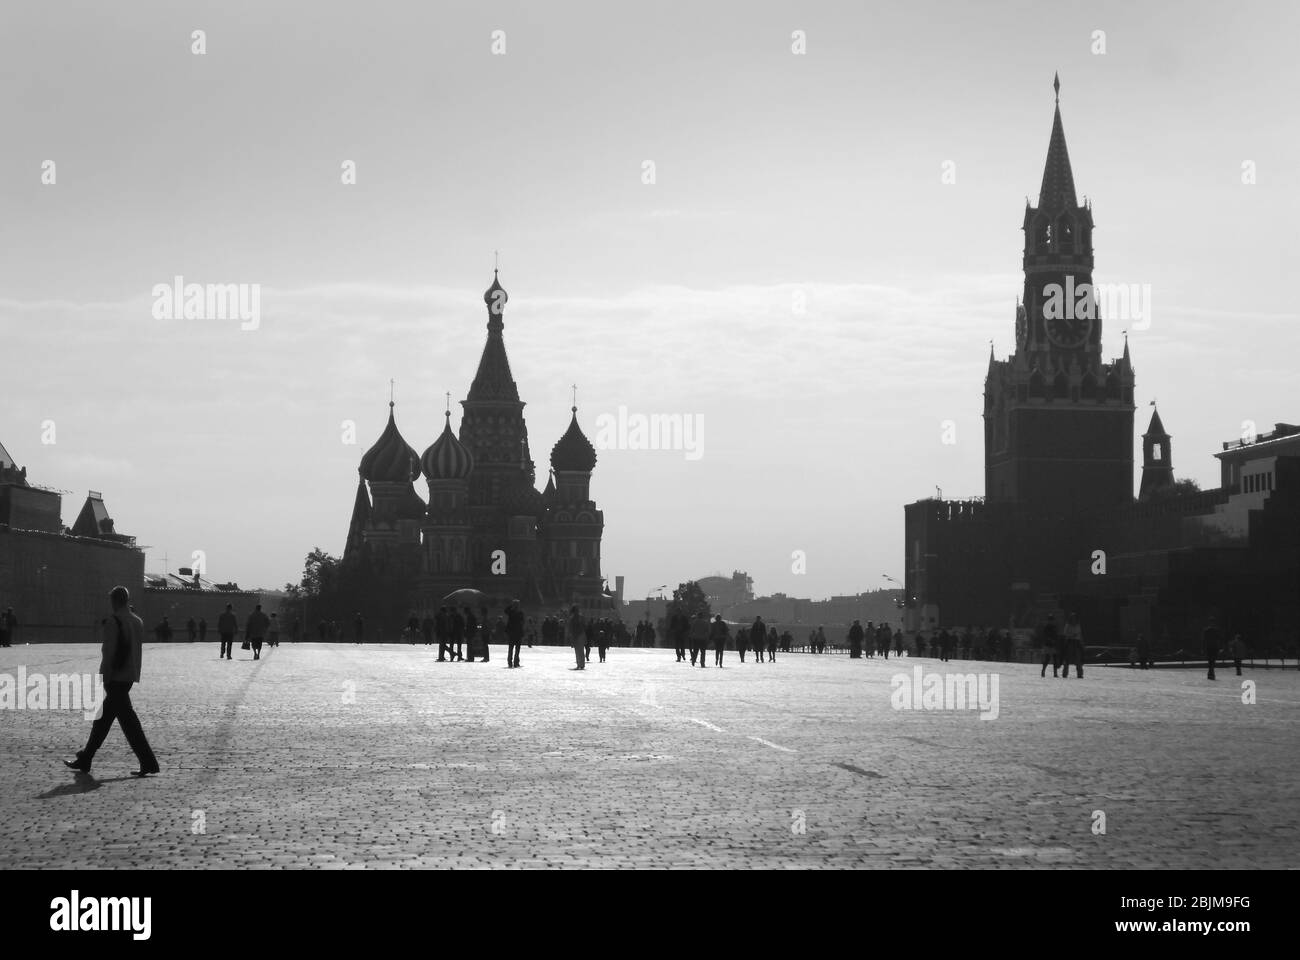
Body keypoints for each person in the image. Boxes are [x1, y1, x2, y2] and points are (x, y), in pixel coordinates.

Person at [64, 585, 159, 777]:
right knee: (103, 720)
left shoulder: (113, 622)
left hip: (114, 677)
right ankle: (86, 758)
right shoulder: (137, 621)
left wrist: (104, 676)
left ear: (114, 601)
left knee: (128, 722)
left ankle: (148, 762)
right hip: (129, 676)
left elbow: (108, 652)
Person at [1061, 612, 1083, 678]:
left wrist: (1081, 642)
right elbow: (1065, 634)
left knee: (1078, 659)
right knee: (1067, 658)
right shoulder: (1068, 625)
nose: (1074, 619)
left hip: (1077, 642)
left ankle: (1080, 674)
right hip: (1070, 642)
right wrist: (1071, 635)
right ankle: (1065, 673)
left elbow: (1080, 634)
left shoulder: (1078, 625)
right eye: (1073, 618)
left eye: (1075, 618)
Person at [1204, 615, 1223, 680]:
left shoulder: (1207, 630)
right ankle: (1211, 674)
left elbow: (1204, 640)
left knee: (1210, 661)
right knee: (1212, 661)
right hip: (1214, 647)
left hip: (1210, 647)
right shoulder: (1216, 630)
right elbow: (1219, 639)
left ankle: (1210, 674)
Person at [506, 603, 525, 668]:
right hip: (518, 633)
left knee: (511, 649)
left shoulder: (511, 612)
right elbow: (522, 622)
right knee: (517, 649)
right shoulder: (520, 613)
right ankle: (516, 662)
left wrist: (511, 605)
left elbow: (505, 610)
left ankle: (510, 662)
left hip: (512, 633)